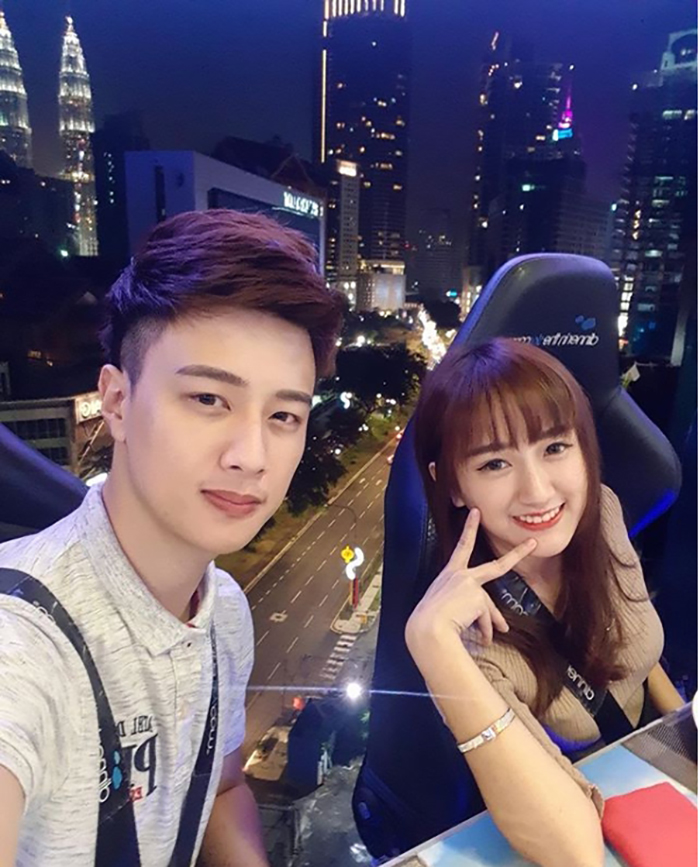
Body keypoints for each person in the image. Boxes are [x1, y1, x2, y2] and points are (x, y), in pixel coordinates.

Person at [0, 209, 345, 867]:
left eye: (283, 415)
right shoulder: (20, 642)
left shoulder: (223, 613)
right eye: (209, 399)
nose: (251, 456)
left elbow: (221, 789)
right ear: (117, 402)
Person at [407, 337, 684, 867]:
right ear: (453, 485)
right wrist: (432, 645)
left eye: (555, 447)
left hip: (654, 773)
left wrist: (685, 740)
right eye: (494, 463)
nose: (537, 491)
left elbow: (636, 663)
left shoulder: (601, 513)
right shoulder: (468, 637)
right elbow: (573, 850)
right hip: (575, 814)